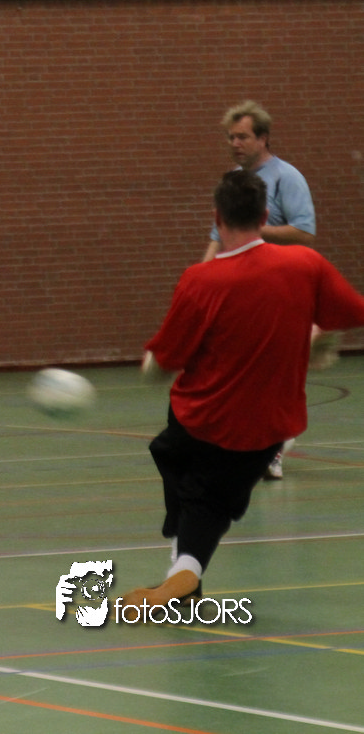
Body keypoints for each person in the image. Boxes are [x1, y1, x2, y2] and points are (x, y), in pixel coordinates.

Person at [125, 170, 364, 609]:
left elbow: (165, 360)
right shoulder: (306, 265)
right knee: (208, 501)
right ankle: (184, 575)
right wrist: (318, 334)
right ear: (265, 215)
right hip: (269, 429)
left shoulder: (201, 280)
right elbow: (352, 312)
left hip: (204, 423)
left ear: (218, 218)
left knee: (184, 472)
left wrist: (150, 362)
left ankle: (183, 572)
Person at [200, 101, 317, 479]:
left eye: (243, 137)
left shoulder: (287, 178)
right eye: (230, 137)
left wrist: (254, 228)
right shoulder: (232, 182)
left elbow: (304, 233)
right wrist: (201, 280)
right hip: (240, 292)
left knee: (273, 375)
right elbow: (219, 236)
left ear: (263, 138)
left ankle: (274, 448)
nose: (235, 143)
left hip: (280, 290)